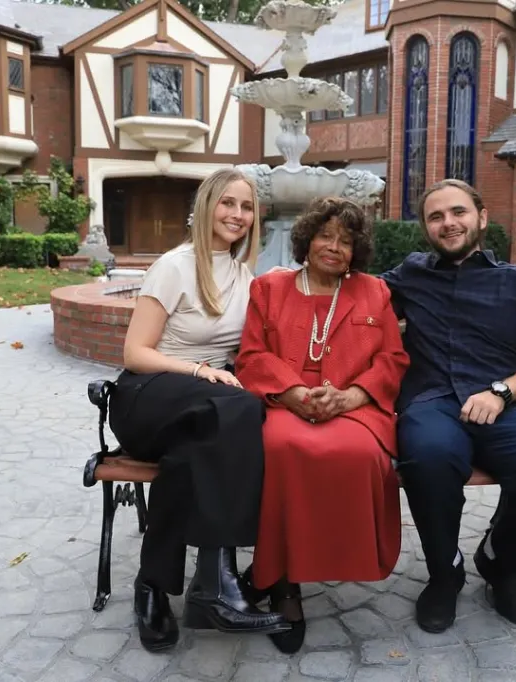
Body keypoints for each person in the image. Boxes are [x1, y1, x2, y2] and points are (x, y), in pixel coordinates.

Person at [382, 179, 516, 633]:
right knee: (428, 458)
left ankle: (498, 562)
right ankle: (444, 573)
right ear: (425, 228)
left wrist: (502, 392)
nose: (448, 223)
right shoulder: (409, 275)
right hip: (431, 402)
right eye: (436, 217)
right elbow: (351, 292)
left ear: (481, 218)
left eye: (458, 212)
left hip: (503, 406)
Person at [107, 168, 289, 653]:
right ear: (208, 206)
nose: (237, 214)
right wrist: (198, 372)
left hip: (204, 413)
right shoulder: (175, 265)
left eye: (246, 207)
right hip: (147, 397)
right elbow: (135, 353)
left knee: (201, 445)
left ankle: (155, 585)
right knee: (237, 409)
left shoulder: (245, 276)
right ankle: (216, 582)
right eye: (228, 203)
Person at [235, 196, 409, 654]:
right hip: (284, 402)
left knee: (360, 454)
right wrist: (293, 395)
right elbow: (252, 356)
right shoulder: (269, 288)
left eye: (346, 241)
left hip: (354, 406)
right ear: (307, 239)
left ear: (357, 251)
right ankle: (283, 583)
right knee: (281, 449)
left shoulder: (374, 292)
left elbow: (393, 358)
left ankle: (321, 560)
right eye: (326, 236)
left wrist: (350, 396)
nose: (334, 247)